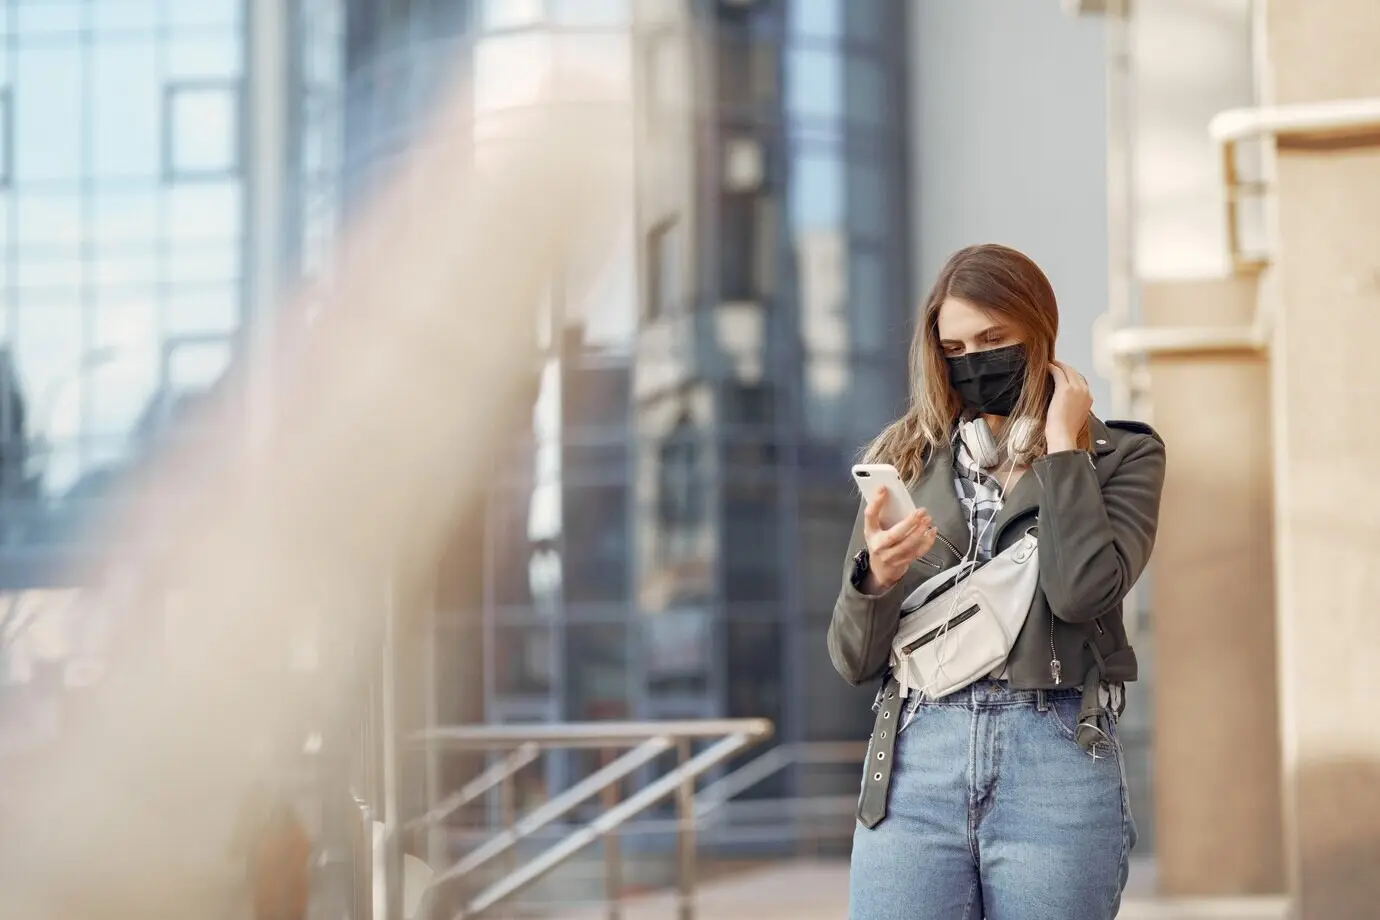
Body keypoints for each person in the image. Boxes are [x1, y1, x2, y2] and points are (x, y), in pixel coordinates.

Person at [828, 243, 1166, 920]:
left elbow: (1081, 594)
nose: (972, 361)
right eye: (954, 347)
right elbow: (854, 660)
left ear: (1040, 333)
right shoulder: (907, 456)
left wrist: (1066, 450)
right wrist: (877, 579)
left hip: (1057, 758)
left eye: (993, 339)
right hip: (916, 766)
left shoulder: (1122, 456)